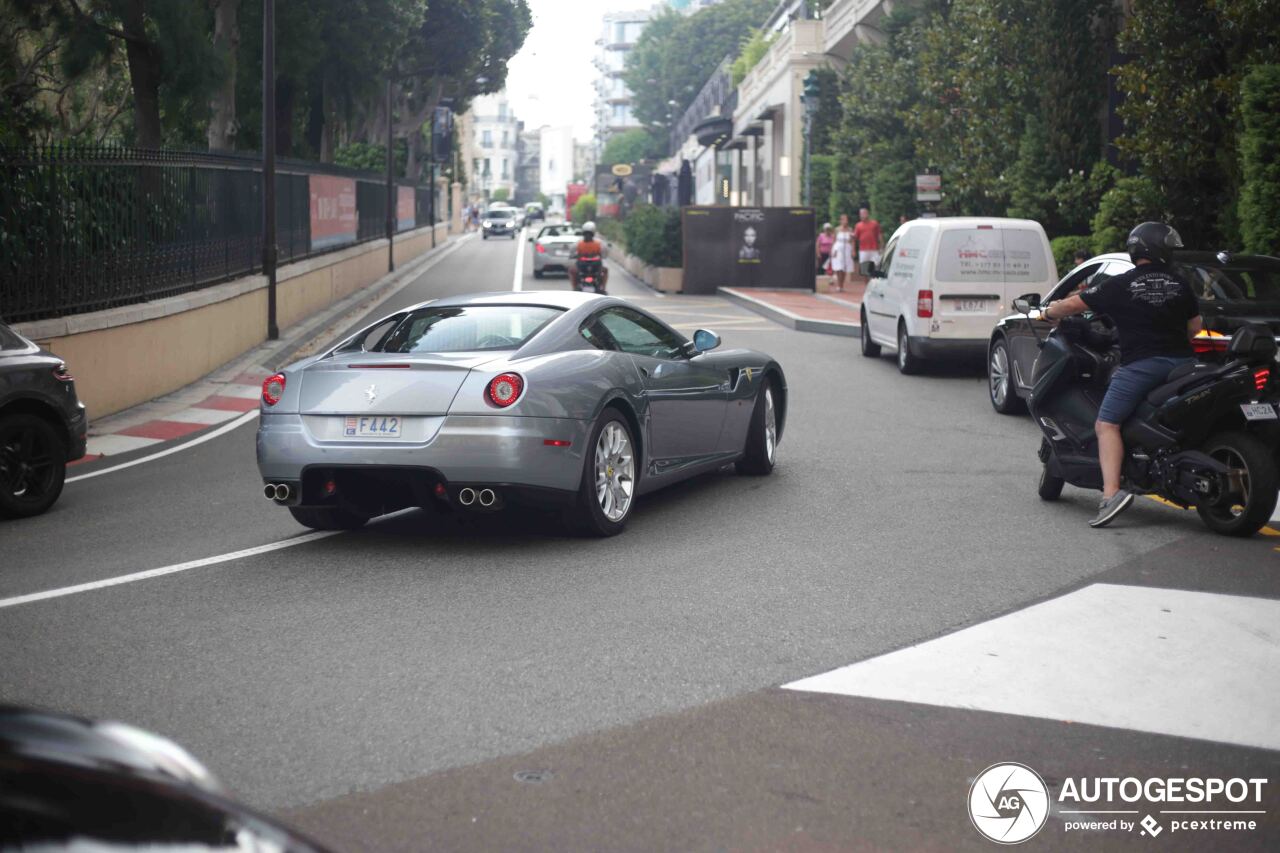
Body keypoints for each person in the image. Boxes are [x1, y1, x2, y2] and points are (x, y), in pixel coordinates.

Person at [1041, 222, 1201, 528]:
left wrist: (1049, 313)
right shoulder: (1180, 284)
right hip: (1184, 366)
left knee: (1106, 423)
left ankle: (1111, 494)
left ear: (1136, 249)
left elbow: (1075, 304)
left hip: (1143, 365)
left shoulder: (1121, 284)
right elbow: (1194, 328)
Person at [569, 220, 608, 293]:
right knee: (572, 270)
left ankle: (603, 287)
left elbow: (572, 251)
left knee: (605, 270)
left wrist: (572, 256)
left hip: (592, 267)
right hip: (586, 266)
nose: (587, 236)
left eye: (589, 234)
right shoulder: (597, 243)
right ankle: (603, 288)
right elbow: (604, 253)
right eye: (586, 234)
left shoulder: (581, 243)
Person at [852, 206, 883, 277]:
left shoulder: (875, 223)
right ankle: (866, 286)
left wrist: (882, 247)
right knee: (864, 270)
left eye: (864, 213)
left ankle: (875, 283)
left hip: (874, 250)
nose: (862, 215)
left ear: (867, 214)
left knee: (876, 267)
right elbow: (855, 238)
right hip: (863, 250)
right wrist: (853, 250)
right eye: (861, 214)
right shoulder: (858, 225)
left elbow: (879, 235)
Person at [829, 214, 855, 292]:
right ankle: (839, 285)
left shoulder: (850, 230)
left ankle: (842, 285)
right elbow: (833, 240)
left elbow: (852, 241)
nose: (844, 221)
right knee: (838, 267)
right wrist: (832, 250)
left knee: (845, 267)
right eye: (843, 219)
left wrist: (853, 250)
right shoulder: (837, 229)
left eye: (846, 219)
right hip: (838, 249)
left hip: (847, 249)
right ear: (840, 221)